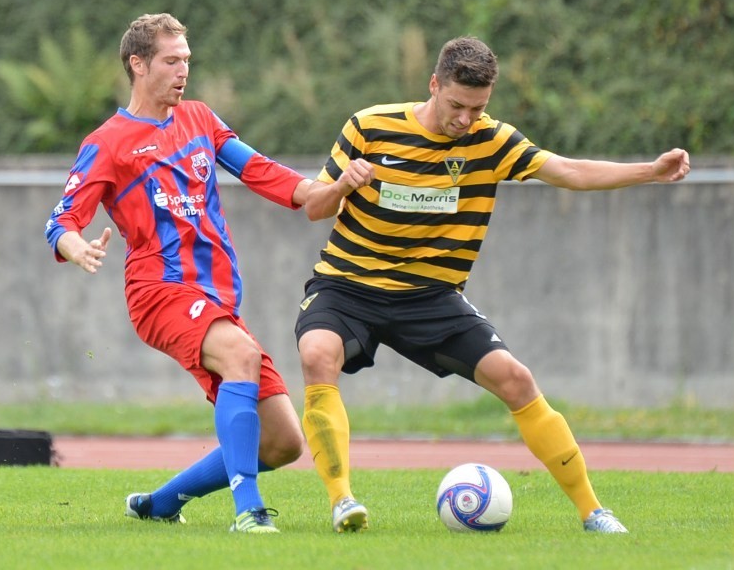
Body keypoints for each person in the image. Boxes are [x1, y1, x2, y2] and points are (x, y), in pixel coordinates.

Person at [295, 36, 690, 534]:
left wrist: (650, 172)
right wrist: (342, 185)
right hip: (349, 287)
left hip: (431, 297)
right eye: (456, 105)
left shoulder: (494, 140)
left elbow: (568, 171)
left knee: (516, 379)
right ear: (434, 85)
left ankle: (594, 512)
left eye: (477, 108)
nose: (465, 119)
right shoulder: (369, 125)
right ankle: (342, 502)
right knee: (317, 355)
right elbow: (314, 208)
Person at [45, 13, 314, 534]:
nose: (183, 70)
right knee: (241, 356)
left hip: (217, 296)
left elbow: (258, 169)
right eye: (171, 60)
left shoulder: (199, 118)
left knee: (283, 442)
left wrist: (321, 190)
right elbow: (61, 220)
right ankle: (249, 512)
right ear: (138, 64)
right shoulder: (108, 141)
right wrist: (76, 246)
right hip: (158, 290)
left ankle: (161, 503)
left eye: (186, 60)